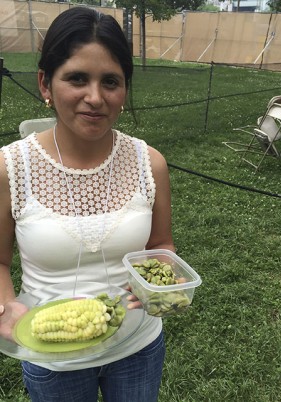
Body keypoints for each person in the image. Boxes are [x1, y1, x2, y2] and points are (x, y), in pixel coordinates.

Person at [0, 7, 175, 402]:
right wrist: (6, 305)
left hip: (138, 346)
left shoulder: (151, 163)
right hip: (51, 358)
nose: (95, 98)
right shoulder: (10, 168)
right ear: (45, 83)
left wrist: (161, 283)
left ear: (124, 90)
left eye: (110, 81)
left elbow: (162, 245)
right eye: (77, 78)